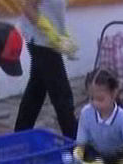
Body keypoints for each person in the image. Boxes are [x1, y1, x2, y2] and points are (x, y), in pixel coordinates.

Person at [14, 0, 79, 138]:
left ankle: (19, 136)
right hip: (41, 42)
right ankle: (76, 144)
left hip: (50, 42)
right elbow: (28, 7)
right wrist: (49, 31)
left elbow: (53, 11)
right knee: (62, 95)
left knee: (35, 93)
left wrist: (63, 34)